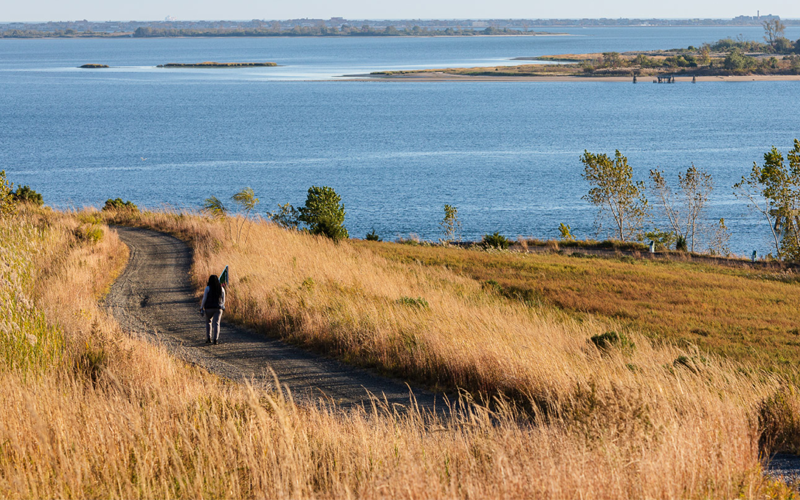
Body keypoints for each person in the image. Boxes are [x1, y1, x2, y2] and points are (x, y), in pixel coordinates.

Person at [200, 274, 226, 344]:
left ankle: (209, 338)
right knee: (217, 323)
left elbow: (204, 298)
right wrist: (222, 305)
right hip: (218, 308)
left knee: (208, 322)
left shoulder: (207, 288)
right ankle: (216, 339)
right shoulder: (221, 288)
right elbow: (223, 299)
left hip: (209, 308)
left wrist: (201, 307)